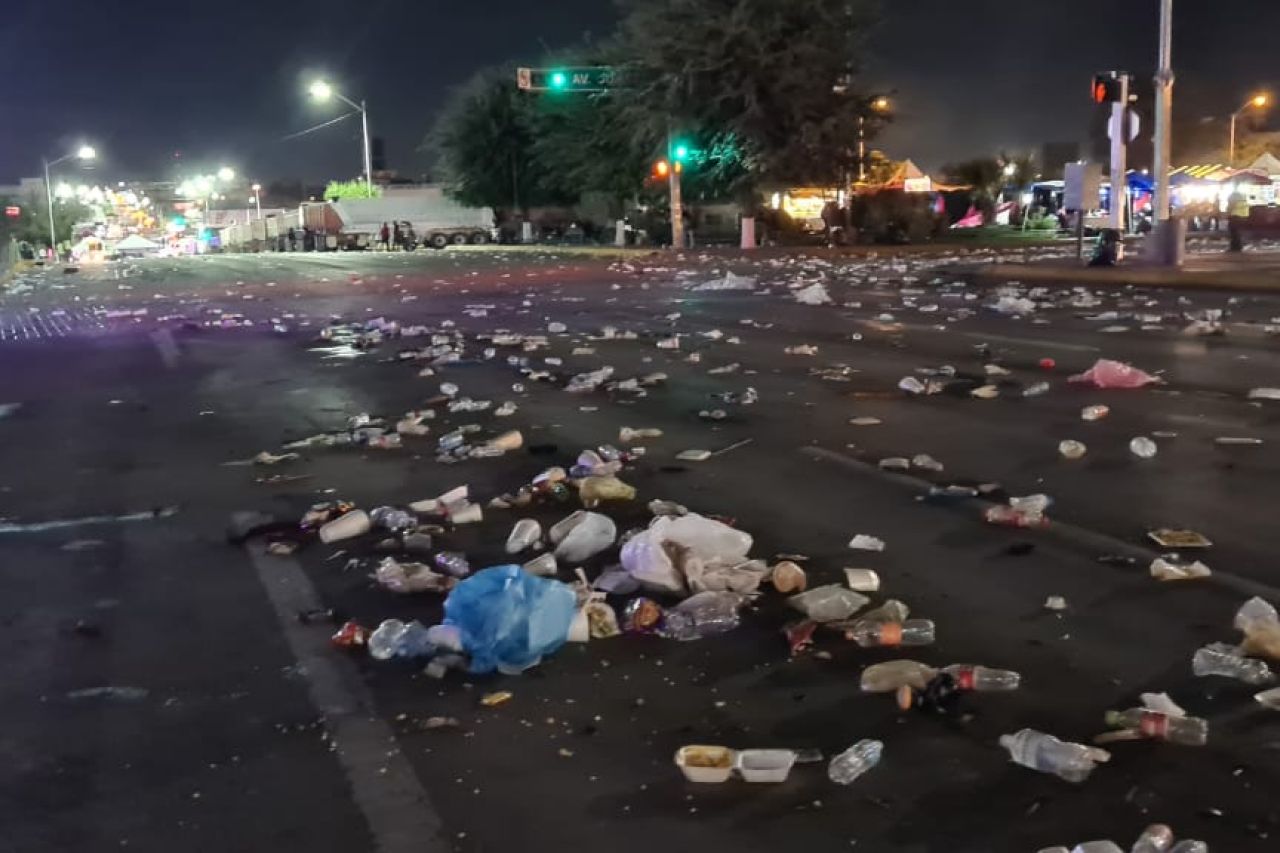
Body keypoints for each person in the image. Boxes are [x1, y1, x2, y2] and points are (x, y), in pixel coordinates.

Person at [1226, 187, 1250, 252]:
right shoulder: (1242, 196)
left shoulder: (1233, 196)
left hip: (1235, 216)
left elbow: (1231, 206)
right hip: (1243, 216)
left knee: (1234, 233)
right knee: (1237, 232)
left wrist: (1227, 214)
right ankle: (1238, 246)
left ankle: (1234, 247)